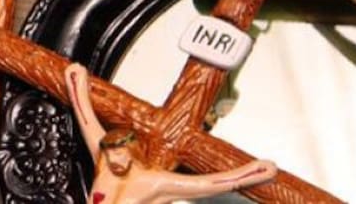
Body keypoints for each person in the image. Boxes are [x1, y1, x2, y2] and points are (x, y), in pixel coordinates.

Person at [64, 63, 277, 203]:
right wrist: (76, 85)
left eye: (119, 154)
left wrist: (249, 174)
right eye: (110, 154)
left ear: (132, 151)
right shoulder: (104, 166)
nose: (113, 160)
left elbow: (207, 184)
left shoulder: (154, 182)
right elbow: (87, 120)